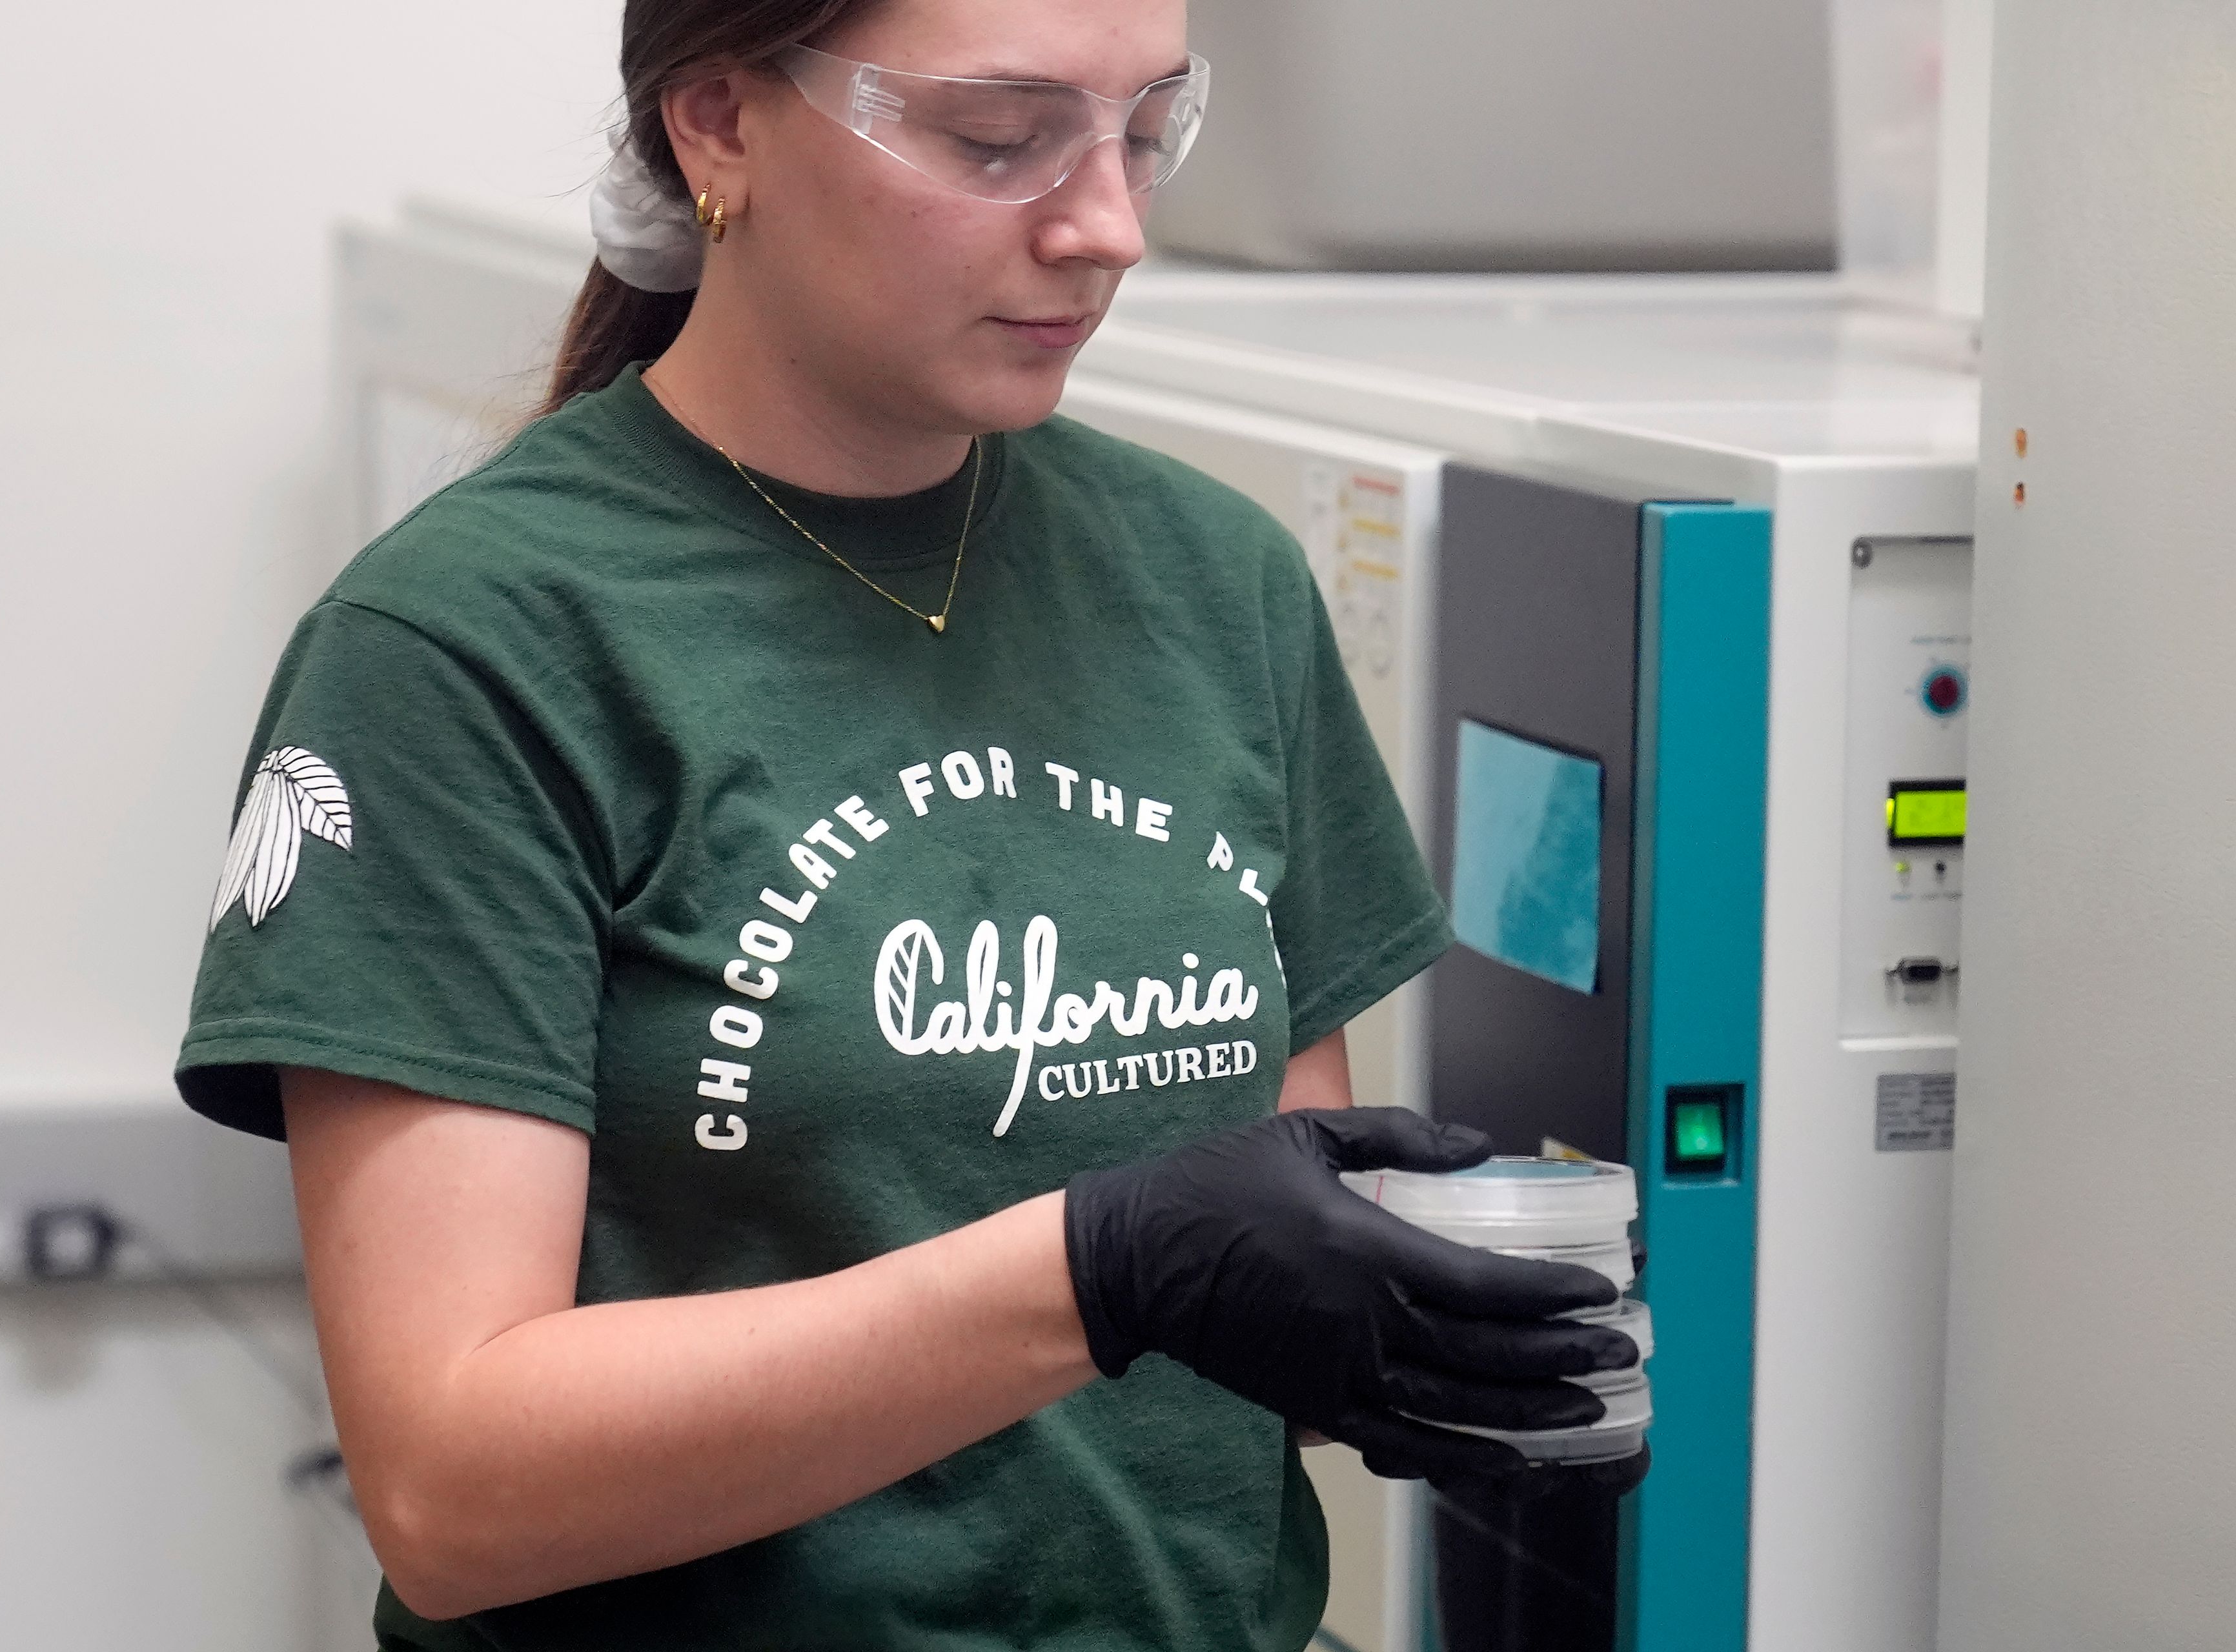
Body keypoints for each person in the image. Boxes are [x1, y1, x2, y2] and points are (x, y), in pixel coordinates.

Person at [174, 1, 1644, 1647]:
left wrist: (1425, 1331)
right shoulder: (471, 647)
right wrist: (1098, 1269)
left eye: (1148, 128)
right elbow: (457, 1490)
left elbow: (1260, 1300)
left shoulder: (1212, 584)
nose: (1110, 226)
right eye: (999, 136)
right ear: (719, 124)